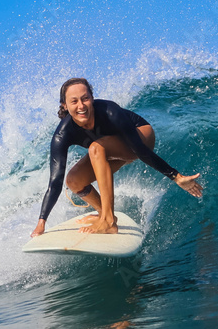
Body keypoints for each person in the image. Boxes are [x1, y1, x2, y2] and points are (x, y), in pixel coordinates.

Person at [31, 77, 202, 237]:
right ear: (65, 105)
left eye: (85, 98)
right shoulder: (62, 134)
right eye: (74, 101)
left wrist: (176, 176)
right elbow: (55, 182)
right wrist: (41, 222)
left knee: (95, 148)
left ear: (92, 98)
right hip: (109, 149)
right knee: (74, 180)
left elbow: (140, 150)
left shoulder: (110, 111)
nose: (81, 106)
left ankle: (108, 220)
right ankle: (102, 213)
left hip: (141, 136)